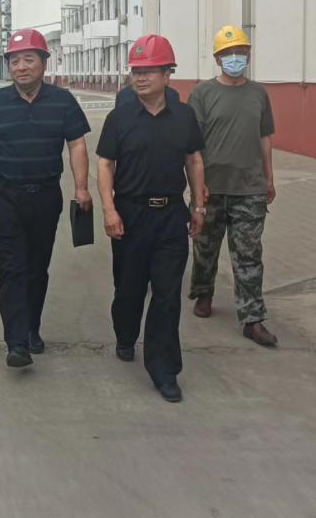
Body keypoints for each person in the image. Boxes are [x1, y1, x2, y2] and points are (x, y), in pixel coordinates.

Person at [0, 29, 92, 368]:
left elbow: (77, 144)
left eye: (28, 59)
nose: (21, 67)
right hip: (6, 197)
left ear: (43, 63)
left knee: (37, 269)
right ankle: (17, 342)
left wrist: (81, 187)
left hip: (46, 197)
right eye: (14, 61)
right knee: (12, 269)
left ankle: (31, 327)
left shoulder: (62, 101)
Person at [96, 35, 206, 403]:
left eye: (149, 71)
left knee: (167, 295)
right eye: (136, 71)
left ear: (168, 74)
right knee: (129, 289)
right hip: (130, 215)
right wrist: (109, 209)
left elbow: (194, 160)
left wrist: (198, 206)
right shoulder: (119, 118)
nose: (140, 78)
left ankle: (164, 369)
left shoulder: (185, 116)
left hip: (171, 216)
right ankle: (126, 335)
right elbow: (105, 164)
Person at [187, 25, 279, 347]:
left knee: (249, 255)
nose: (235, 58)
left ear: (249, 55)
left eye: (240, 51)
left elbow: (265, 138)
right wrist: (197, 189)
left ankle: (252, 319)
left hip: (249, 189)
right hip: (211, 188)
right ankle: (203, 292)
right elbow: (192, 147)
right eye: (228, 53)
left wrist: (269, 178)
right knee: (205, 248)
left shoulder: (259, 94)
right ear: (217, 59)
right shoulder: (201, 94)